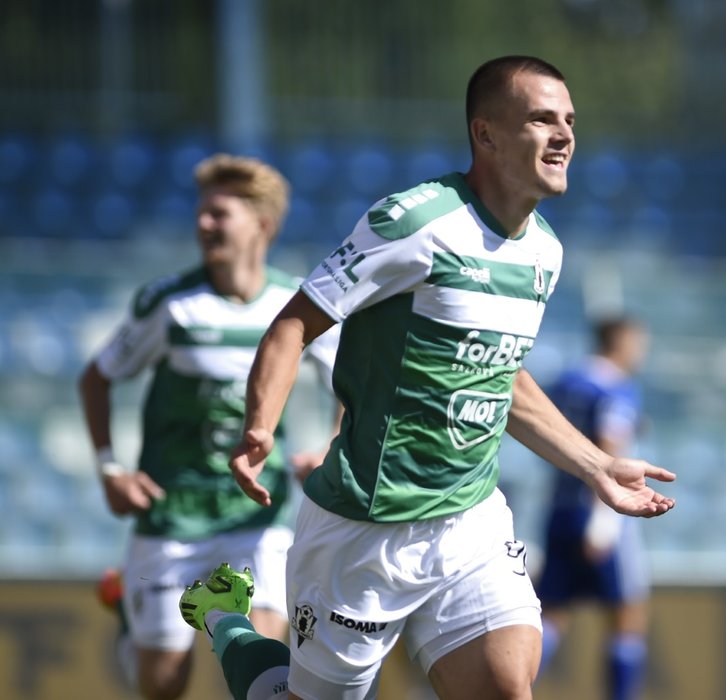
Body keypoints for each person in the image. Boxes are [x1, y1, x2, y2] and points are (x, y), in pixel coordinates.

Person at [221, 54, 675, 700]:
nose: (565, 134)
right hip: (366, 528)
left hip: (468, 520)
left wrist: (596, 465)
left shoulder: (545, 251)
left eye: (569, 120)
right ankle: (224, 620)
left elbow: (499, 377)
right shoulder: (416, 223)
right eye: (542, 119)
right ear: (485, 134)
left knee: (505, 685)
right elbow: (294, 324)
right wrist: (259, 427)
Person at [78, 153, 340, 700]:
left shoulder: (295, 306)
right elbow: (96, 379)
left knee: (268, 673)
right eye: (201, 212)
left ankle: (218, 616)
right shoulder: (170, 305)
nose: (203, 224)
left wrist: (332, 445)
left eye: (219, 213)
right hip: (173, 514)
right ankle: (139, 618)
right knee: (163, 686)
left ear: (262, 225)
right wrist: (110, 471)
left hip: (258, 512)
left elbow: (352, 384)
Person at [534, 316, 652, 700]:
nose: (641, 351)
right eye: (638, 342)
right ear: (620, 341)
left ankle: (512, 688)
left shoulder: (567, 383)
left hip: (560, 509)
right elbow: (608, 445)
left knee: (552, 612)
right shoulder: (617, 389)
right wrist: (604, 523)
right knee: (627, 617)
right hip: (602, 512)